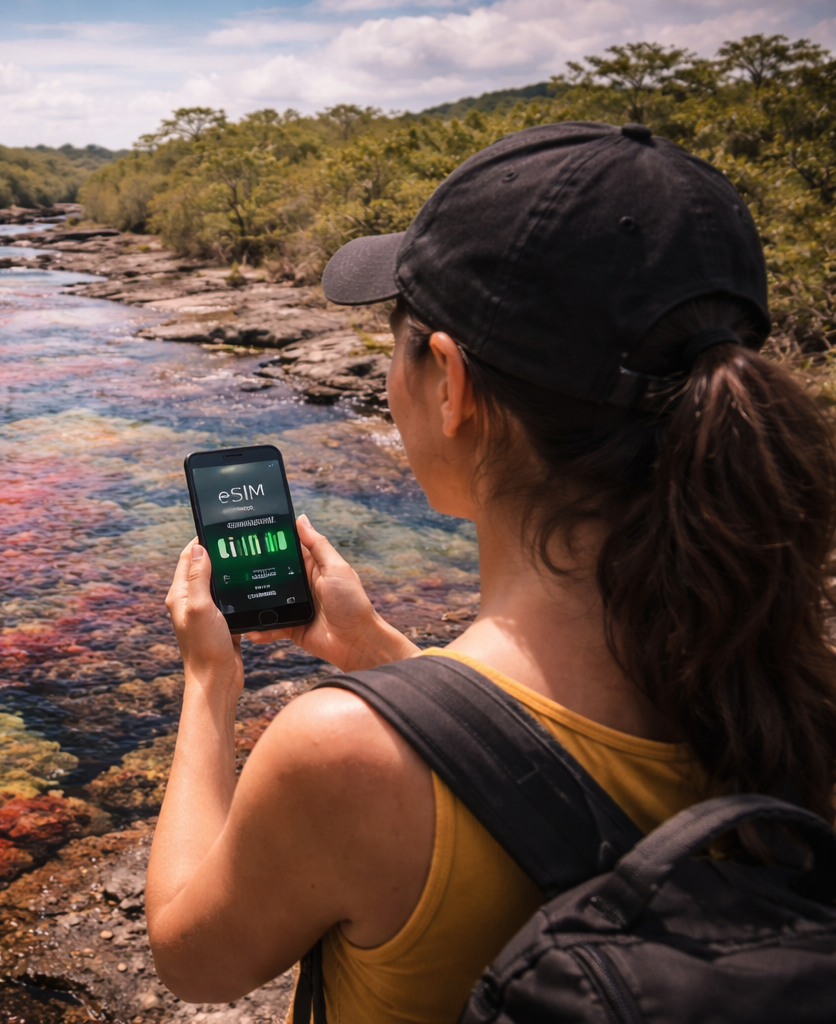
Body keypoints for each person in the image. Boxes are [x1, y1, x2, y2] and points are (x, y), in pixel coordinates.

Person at [147, 120, 836, 1024]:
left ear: (448, 381)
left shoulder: (341, 755)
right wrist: (383, 656)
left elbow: (191, 959)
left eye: (393, 341)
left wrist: (209, 680)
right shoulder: (790, 685)